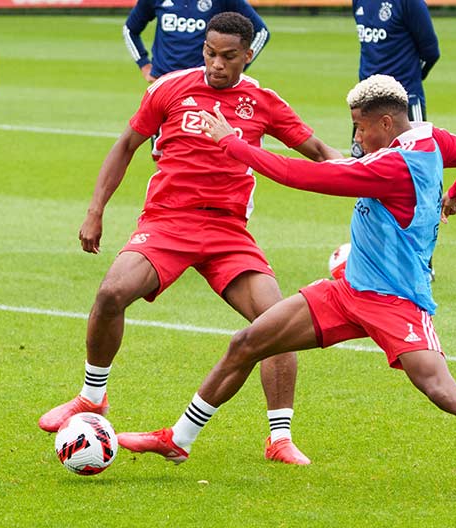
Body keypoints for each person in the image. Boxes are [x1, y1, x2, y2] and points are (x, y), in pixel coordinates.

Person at [115, 74, 456, 501]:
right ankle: (180, 439)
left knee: (442, 390)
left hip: (397, 302)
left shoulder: (391, 167)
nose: (355, 138)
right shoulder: (432, 139)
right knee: (249, 341)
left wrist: (233, 144)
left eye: (359, 128)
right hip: (347, 290)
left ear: (384, 122)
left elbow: (304, 175)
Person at [38, 13, 341, 467]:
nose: (216, 64)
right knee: (111, 294)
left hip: (228, 231)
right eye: (209, 53)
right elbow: (125, 146)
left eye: (228, 56)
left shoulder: (263, 101)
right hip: (167, 222)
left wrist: (373, 181)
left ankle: (279, 438)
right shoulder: (170, 88)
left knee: (276, 322)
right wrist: (95, 211)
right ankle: (92, 396)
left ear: (249, 54)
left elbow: (318, 153)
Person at [351, 0, 439, 158]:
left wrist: (412, 78)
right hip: (366, 102)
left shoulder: (410, 3)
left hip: (405, 101)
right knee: (360, 169)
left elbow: (430, 51)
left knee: (415, 164)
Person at [123, 0, 268, 83]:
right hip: (165, 81)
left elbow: (261, 32)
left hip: (204, 84)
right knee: (162, 136)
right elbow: (130, 30)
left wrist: (235, 69)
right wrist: (143, 64)